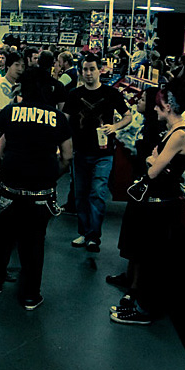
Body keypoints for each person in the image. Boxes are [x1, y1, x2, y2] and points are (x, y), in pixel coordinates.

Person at [0, 67, 73, 310]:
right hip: (41, 191)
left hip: (11, 188)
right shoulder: (58, 118)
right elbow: (67, 156)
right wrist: (53, 175)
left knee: (3, 236)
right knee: (34, 242)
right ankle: (31, 295)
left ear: (24, 88)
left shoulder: (11, 111)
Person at [111, 79, 185, 326]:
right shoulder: (174, 132)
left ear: (168, 106)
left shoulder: (179, 134)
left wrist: (153, 159)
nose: (155, 109)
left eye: (159, 105)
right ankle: (141, 302)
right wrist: (153, 159)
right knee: (147, 256)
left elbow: (152, 169)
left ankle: (145, 308)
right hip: (155, 202)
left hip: (160, 204)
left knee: (152, 259)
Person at [63, 53, 132, 252]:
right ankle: (84, 233)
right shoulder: (74, 95)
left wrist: (115, 126)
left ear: (100, 70)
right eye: (85, 69)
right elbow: (65, 119)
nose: (89, 73)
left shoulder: (112, 94)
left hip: (104, 153)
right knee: (81, 194)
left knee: (98, 193)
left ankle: (94, 236)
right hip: (80, 152)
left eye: (92, 69)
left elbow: (127, 116)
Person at [108, 86, 161, 292]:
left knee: (138, 239)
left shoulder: (155, 128)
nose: (138, 101)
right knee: (131, 235)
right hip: (137, 185)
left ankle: (136, 284)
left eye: (143, 99)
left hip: (145, 187)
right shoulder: (146, 124)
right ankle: (129, 276)